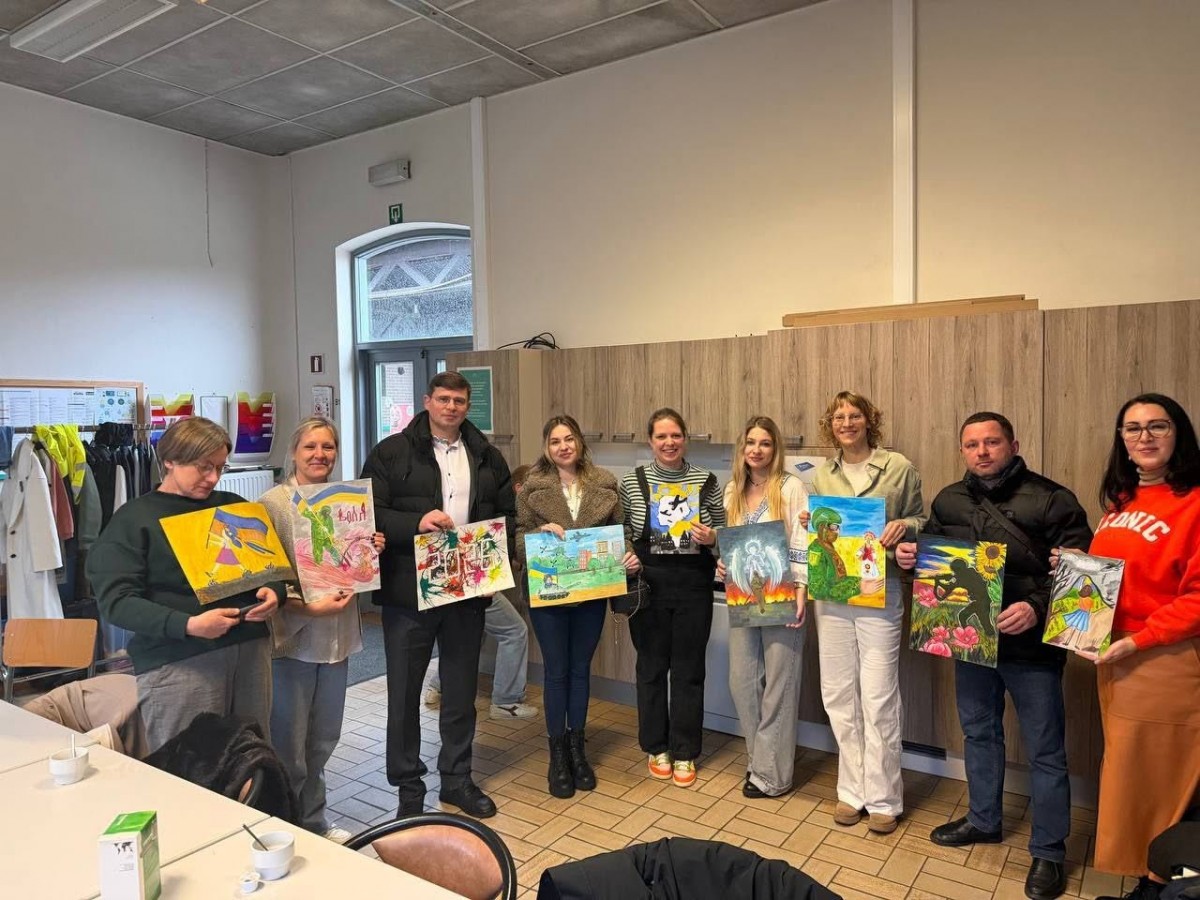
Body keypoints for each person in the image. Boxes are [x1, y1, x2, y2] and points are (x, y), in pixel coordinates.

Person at [896, 411, 1092, 900]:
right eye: (972, 444)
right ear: (962, 450)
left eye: (991, 442)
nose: (981, 452)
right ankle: (984, 820)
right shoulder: (948, 500)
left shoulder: (1053, 499)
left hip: (1032, 650)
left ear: (1013, 445)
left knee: (1046, 751)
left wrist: (1036, 606)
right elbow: (935, 566)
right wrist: (910, 559)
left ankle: (1048, 851)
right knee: (979, 734)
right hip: (970, 642)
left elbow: (1083, 574)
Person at [361, 371, 515, 819]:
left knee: (461, 692)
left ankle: (457, 779)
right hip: (408, 592)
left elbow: (506, 515)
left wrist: (495, 568)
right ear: (427, 401)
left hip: (467, 590)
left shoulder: (487, 456)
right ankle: (409, 789)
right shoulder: (391, 452)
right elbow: (369, 512)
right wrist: (417, 522)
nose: (451, 407)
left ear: (468, 406)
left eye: (459, 401)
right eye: (444, 399)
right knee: (404, 695)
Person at [87, 417, 280, 755]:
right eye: (203, 467)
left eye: (220, 467)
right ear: (170, 461)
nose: (213, 477)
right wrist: (188, 624)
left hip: (250, 651)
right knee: (190, 763)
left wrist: (275, 592)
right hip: (180, 660)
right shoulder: (134, 520)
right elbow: (116, 602)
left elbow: (273, 568)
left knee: (252, 757)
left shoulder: (233, 505)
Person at [1082, 394, 1200, 900]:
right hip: (1117, 658)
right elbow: (1115, 576)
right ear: (1122, 441)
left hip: (1162, 657)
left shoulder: (1194, 502)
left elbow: (1197, 597)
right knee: (1133, 777)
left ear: (1179, 433)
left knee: (1164, 781)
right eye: (1132, 428)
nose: (1144, 437)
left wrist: (1139, 640)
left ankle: (1161, 886)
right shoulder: (1123, 501)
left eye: (1157, 426)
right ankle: (1148, 883)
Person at [258, 417, 385, 843]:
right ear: (294, 452)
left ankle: (313, 820)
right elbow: (265, 576)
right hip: (293, 640)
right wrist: (305, 607)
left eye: (328, 447)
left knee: (324, 738)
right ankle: (283, 825)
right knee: (288, 743)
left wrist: (369, 548)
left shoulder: (346, 502)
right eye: (310, 446)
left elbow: (352, 565)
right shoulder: (273, 504)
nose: (319, 455)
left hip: (337, 639)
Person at [808, 391, 925, 835]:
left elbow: (921, 519)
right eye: (839, 416)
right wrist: (809, 525)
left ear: (868, 420)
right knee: (838, 694)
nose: (847, 422)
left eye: (854, 415)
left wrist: (904, 526)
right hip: (833, 595)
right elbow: (819, 530)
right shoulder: (822, 475)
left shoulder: (898, 467)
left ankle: (884, 798)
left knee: (878, 696)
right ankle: (850, 791)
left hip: (880, 590)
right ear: (831, 425)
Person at [516, 415, 638, 797]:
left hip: (591, 591)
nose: (563, 447)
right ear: (546, 447)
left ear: (580, 442)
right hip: (549, 592)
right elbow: (517, 538)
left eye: (569, 439)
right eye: (555, 441)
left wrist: (628, 555)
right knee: (556, 672)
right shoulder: (532, 487)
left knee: (580, 670)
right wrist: (538, 534)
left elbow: (622, 532)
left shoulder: (605, 483)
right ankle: (557, 755)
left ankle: (577, 749)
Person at [619, 408, 724, 788]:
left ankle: (685, 750)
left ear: (685, 439)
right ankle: (655, 746)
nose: (669, 443)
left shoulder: (706, 481)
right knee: (650, 668)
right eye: (661, 436)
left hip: (693, 585)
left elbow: (724, 529)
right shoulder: (632, 482)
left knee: (688, 670)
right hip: (649, 585)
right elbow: (622, 530)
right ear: (650, 441)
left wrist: (712, 537)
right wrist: (626, 555)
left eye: (675, 435)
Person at [717, 416, 808, 799]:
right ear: (743, 448)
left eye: (765, 443)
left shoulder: (790, 487)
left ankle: (773, 776)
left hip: (783, 591)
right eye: (751, 442)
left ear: (775, 449)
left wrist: (801, 589)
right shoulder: (733, 490)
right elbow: (730, 543)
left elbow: (802, 539)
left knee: (779, 686)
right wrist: (722, 564)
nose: (757, 450)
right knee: (742, 681)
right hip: (742, 593)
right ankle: (761, 763)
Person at [426, 464, 535, 720]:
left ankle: (437, 687)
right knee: (514, 631)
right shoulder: (507, 510)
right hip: (478, 583)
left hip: (456, 576)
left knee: (469, 632)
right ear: (518, 488)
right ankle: (506, 701)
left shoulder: (484, 506)